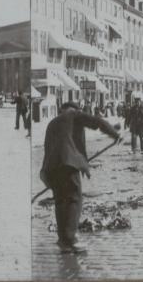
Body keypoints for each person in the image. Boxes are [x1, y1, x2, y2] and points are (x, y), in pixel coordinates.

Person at [39, 101, 121, 254]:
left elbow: (53, 146)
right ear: (75, 109)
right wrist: (115, 134)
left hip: (52, 168)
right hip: (68, 164)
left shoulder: (52, 123)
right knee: (75, 199)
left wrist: (46, 172)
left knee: (61, 201)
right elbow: (97, 122)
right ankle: (71, 240)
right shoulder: (73, 115)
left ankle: (63, 240)